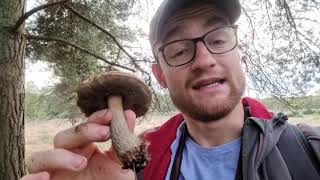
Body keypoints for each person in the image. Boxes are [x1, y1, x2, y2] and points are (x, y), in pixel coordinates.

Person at [21, 0, 320, 180]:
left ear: (238, 50)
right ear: (159, 75)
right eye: (178, 50)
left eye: (217, 39)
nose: (204, 60)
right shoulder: (138, 169)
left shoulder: (310, 152)